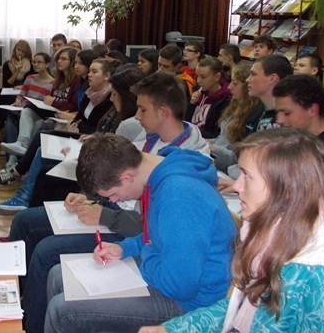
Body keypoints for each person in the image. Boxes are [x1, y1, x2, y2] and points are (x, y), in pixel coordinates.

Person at [141, 129, 324, 333]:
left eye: (247, 176)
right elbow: (241, 310)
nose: (237, 186)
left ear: (288, 189)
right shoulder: (270, 230)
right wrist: (174, 329)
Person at [43, 134, 235, 333]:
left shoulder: (178, 196)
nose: (115, 201)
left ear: (126, 177)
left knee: (63, 312)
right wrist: (123, 247)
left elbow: (179, 286)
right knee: (58, 275)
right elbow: (155, 236)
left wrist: (147, 252)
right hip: (169, 271)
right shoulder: (158, 172)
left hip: (192, 301)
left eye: (112, 194)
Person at [0, 58, 114, 214]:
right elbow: (80, 117)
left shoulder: (109, 100)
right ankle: (19, 176)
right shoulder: (91, 94)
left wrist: (77, 127)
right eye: (89, 71)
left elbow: (99, 128)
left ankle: (21, 189)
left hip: (87, 140)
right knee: (43, 137)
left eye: (94, 72)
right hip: (77, 134)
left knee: (43, 147)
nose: (89, 74)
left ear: (107, 76)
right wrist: (73, 124)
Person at [0, 46, 78, 158]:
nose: (59, 61)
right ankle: (19, 147)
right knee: (18, 114)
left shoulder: (65, 82)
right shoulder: (58, 80)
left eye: (63, 59)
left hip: (57, 115)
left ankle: (19, 162)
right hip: (47, 111)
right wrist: (18, 100)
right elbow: (23, 95)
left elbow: (69, 105)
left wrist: (52, 102)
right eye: (59, 58)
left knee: (37, 123)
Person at [273, 74, 324, 177]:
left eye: (287, 113)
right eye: (278, 113)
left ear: (312, 109)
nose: (279, 120)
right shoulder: (289, 138)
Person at [1, 52, 54, 167]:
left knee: (33, 122)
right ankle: (14, 156)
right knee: (10, 119)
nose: (35, 65)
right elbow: (21, 95)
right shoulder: (29, 78)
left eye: (39, 62)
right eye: (34, 62)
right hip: (24, 110)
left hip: (38, 114)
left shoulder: (53, 83)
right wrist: (18, 101)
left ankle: (16, 159)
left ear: (47, 64)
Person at [209, 64, 261, 173]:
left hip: (228, 168)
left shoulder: (252, 115)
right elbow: (222, 138)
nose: (229, 87)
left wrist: (213, 147)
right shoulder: (233, 105)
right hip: (216, 159)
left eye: (235, 83)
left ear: (247, 87)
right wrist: (205, 141)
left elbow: (236, 158)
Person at [244, 54, 293, 133]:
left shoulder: (292, 117)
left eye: (253, 74)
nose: (247, 79)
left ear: (272, 78)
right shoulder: (255, 113)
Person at [186, 57, 232, 138]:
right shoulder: (197, 91)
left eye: (203, 77)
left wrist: (194, 133)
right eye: (197, 76)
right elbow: (186, 120)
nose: (198, 81)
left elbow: (215, 132)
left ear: (217, 77)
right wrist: (191, 104)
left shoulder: (225, 99)